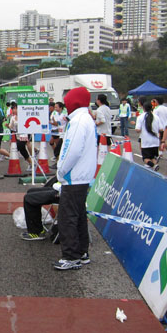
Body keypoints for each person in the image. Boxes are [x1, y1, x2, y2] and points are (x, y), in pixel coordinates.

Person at [53, 87, 97, 270]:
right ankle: (82, 252)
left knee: (67, 218)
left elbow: (72, 150)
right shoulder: (86, 118)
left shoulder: (78, 121)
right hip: (83, 176)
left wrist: (61, 170)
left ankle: (71, 256)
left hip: (73, 177)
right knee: (79, 216)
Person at [135, 102, 162, 170]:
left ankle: (153, 166)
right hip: (155, 141)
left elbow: (137, 129)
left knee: (145, 159)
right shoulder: (156, 117)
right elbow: (161, 129)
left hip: (146, 142)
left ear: (143, 109)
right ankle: (155, 169)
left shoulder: (140, 117)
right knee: (153, 158)